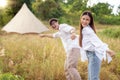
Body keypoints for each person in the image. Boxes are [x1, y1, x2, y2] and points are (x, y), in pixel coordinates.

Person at [79, 11, 115, 80]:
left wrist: (108, 50)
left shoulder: (87, 30)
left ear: (90, 21)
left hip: (94, 56)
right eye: (83, 19)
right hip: (91, 55)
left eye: (87, 20)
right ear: (80, 19)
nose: (84, 21)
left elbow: (97, 42)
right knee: (90, 78)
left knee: (93, 78)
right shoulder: (85, 29)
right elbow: (86, 40)